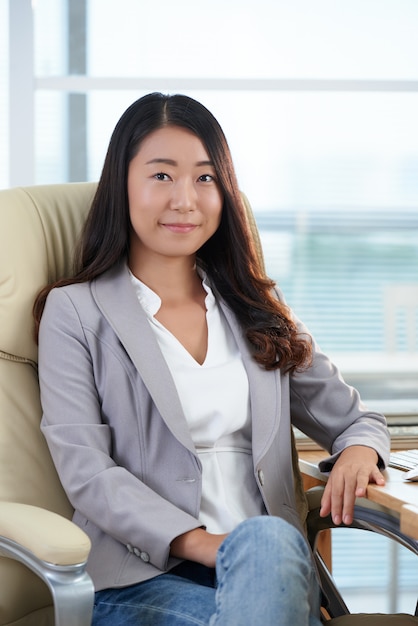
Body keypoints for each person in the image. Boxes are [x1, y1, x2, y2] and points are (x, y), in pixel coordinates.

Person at [34, 92, 390, 626]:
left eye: (205, 178)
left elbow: (356, 419)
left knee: (266, 550)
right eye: (161, 176)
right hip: (144, 581)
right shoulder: (76, 312)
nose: (186, 200)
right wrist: (206, 544)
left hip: (269, 570)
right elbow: (88, 472)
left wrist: (361, 450)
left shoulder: (256, 310)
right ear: (122, 186)